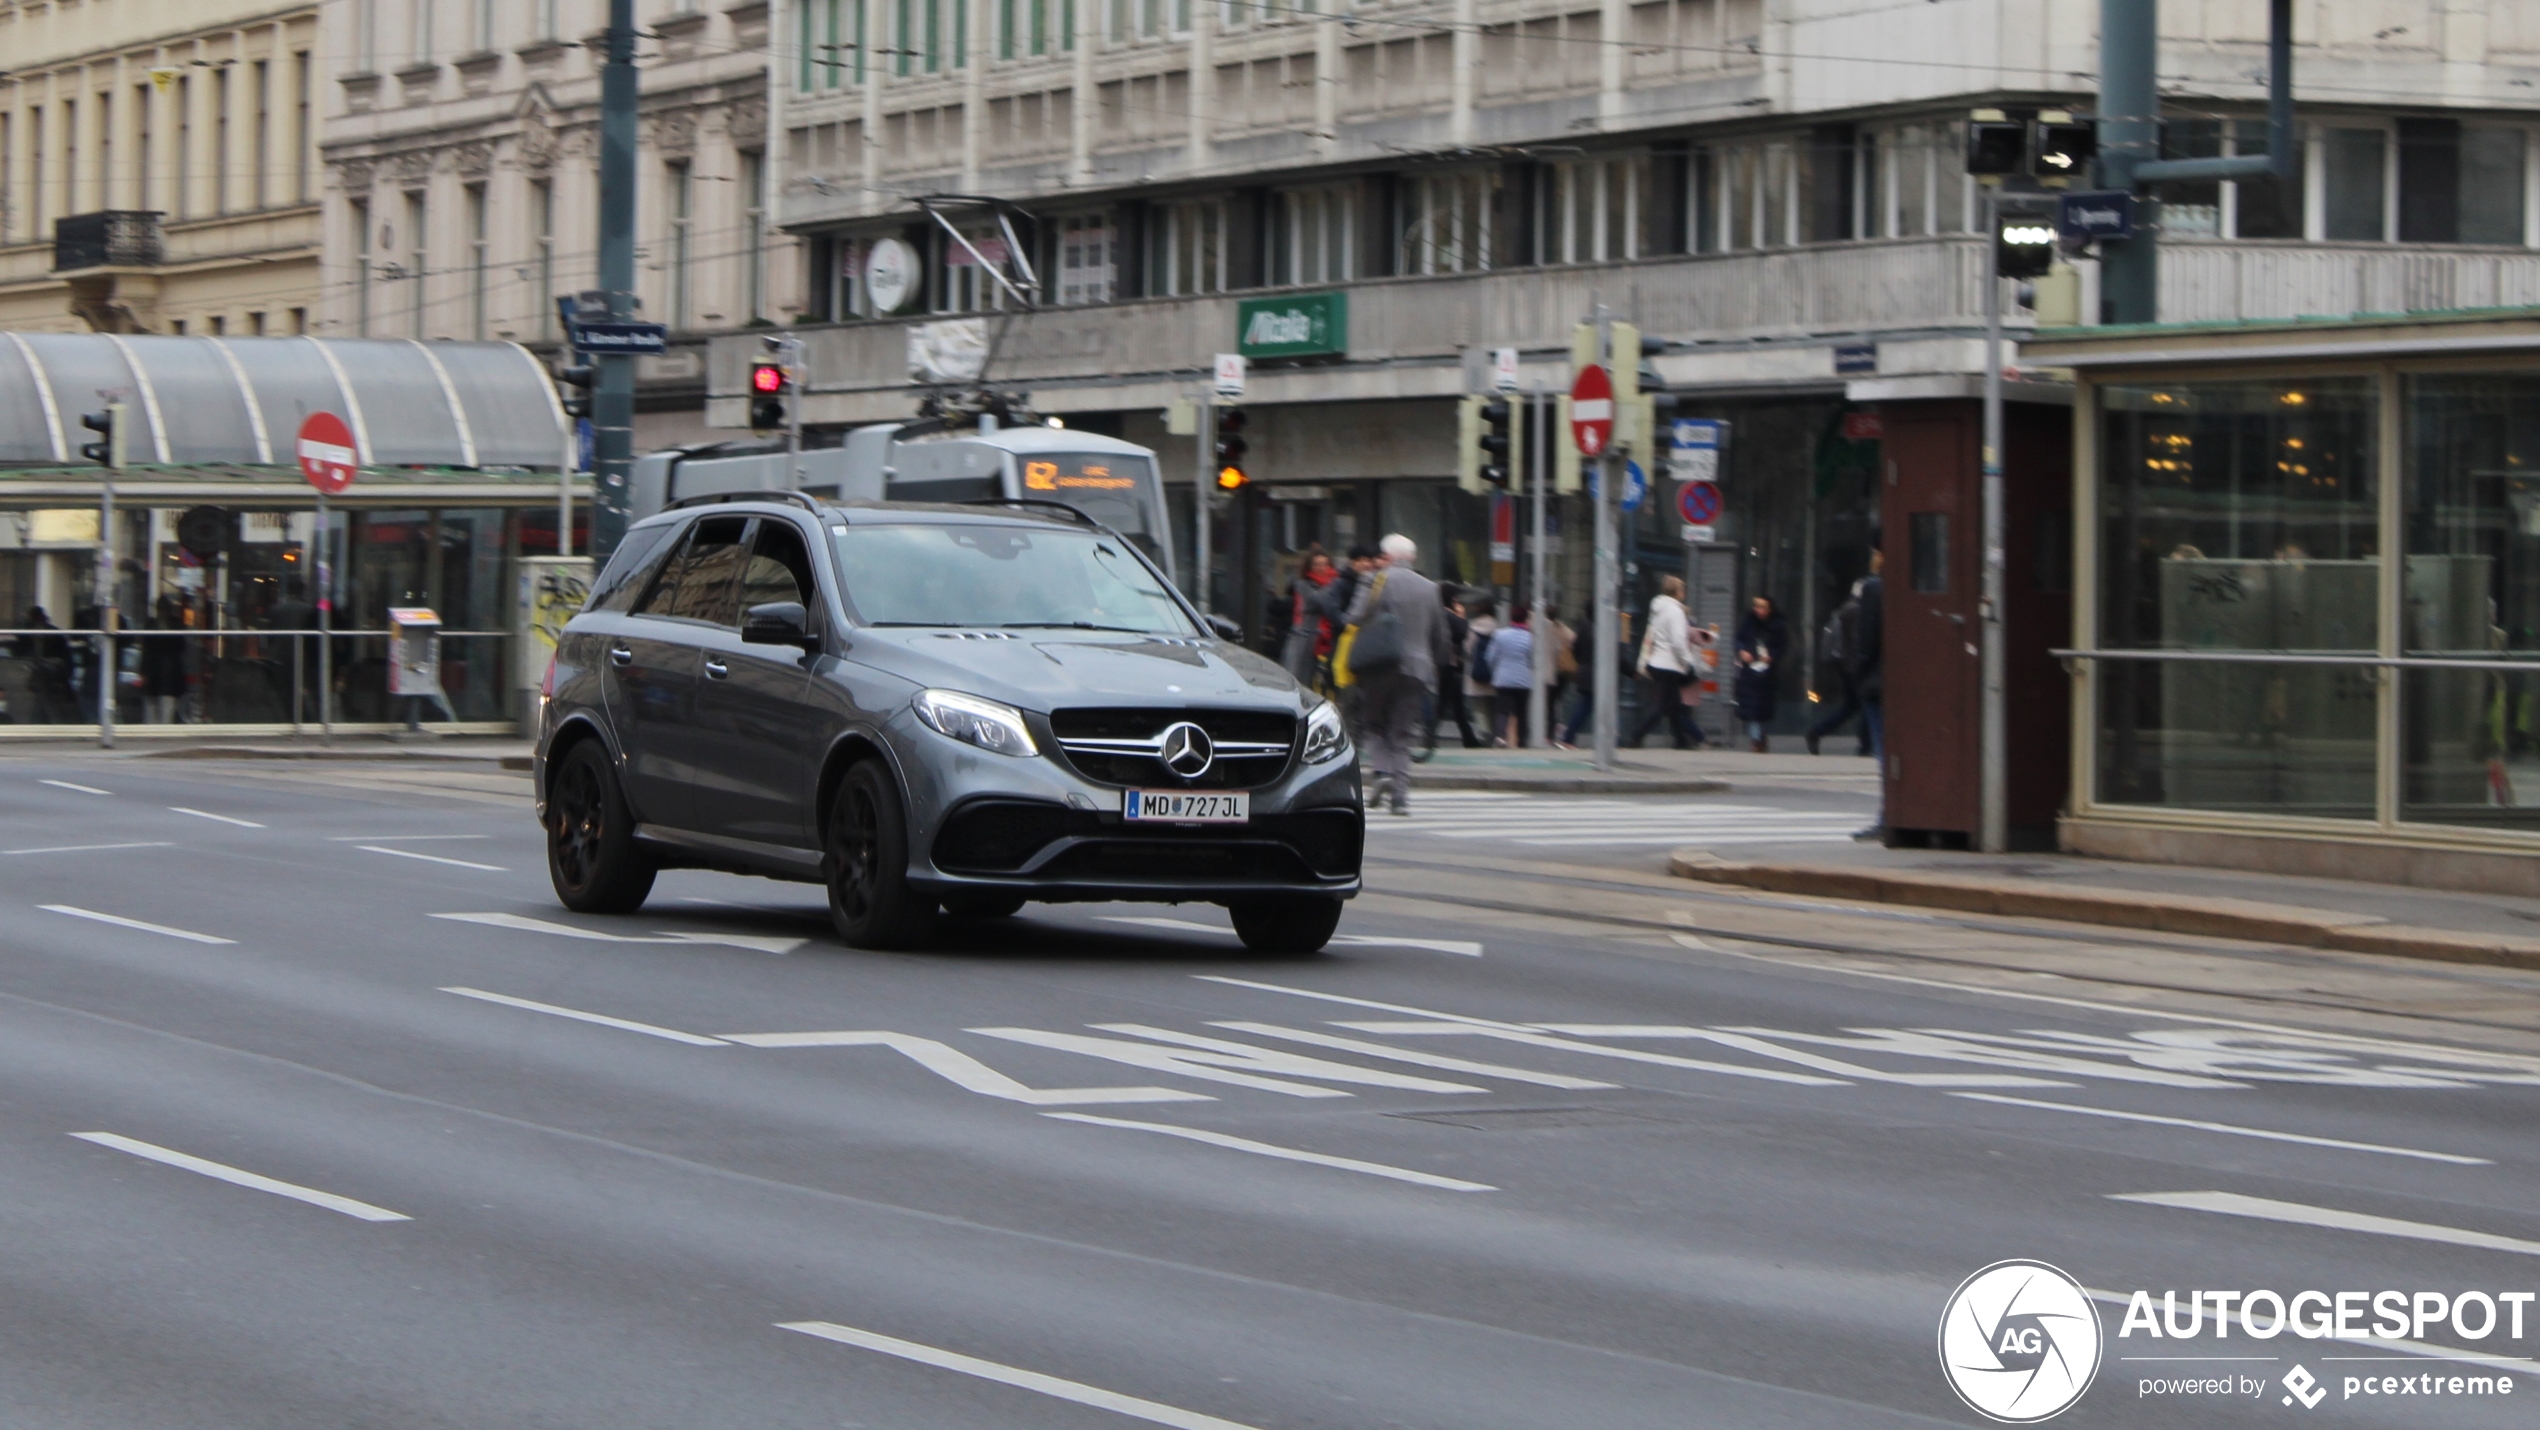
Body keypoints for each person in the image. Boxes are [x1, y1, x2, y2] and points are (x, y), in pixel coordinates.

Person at [1342, 534, 1454, 815]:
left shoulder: (1375, 579)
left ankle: (1382, 772)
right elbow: (1441, 636)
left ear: (1387, 557)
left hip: (1379, 664)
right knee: (1402, 733)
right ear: (1412, 558)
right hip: (1418, 668)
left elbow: (1353, 617)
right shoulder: (1431, 588)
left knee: (1373, 724)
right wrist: (1435, 667)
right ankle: (1400, 798)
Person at [1628, 575, 1704, 749]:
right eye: (1682, 589)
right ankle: (1636, 736)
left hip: (1657, 662)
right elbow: (1677, 641)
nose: (1684, 592)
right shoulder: (1675, 611)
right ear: (1677, 591)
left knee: (1674, 705)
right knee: (1662, 706)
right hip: (1670, 664)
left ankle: (1682, 741)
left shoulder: (1659, 609)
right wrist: (1688, 661)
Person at [1805, 576, 1874, 756]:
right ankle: (1865, 745)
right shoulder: (1857, 610)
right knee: (1867, 703)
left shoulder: (1848, 608)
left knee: (1852, 706)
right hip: (1853, 667)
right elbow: (1856, 642)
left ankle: (1817, 732)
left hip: (1846, 666)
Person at [1851, 549, 1887, 840]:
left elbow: (1866, 639)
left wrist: (1858, 673)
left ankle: (1888, 814)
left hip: (1878, 680)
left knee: (1883, 748)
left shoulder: (1875, 587)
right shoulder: (1914, 579)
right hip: (1906, 680)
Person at [1732, 593, 1790, 752]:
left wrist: (1771, 657)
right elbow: (1739, 639)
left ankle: (1760, 737)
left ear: (1770, 609)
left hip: (1766, 673)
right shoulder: (1749, 622)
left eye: (1762, 607)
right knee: (1751, 707)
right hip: (1749, 670)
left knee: (1761, 708)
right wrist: (1742, 651)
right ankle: (1756, 739)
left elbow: (1782, 646)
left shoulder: (1778, 626)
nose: (1758, 610)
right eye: (1756, 606)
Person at [1428, 585, 1482, 750]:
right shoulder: (1446, 615)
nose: (1458, 602)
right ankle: (1430, 736)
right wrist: (1461, 616)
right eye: (1455, 599)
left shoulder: (1438, 613)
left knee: (1456, 703)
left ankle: (1469, 738)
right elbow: (1462, 631)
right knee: (1444, 702)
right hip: (1446, 664)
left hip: (1448, 663)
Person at [1278, 548, 1337, 685]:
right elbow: (1319, 601)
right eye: (1317, 564)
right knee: (1300, 679)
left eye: (1324, 564)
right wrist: (1335, 584)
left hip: (1327, 640)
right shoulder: (1303, 585)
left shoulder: (1334, 583)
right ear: (1309, 567)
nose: (1321, 568)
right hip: (1305, 640)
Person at [1483, 602, 1535, 747]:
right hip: (1523, 680)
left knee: (1502, 710)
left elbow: (1490, 657)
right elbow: (1532, 660)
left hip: (1503, 678)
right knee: (1522, 712)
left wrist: (1496, 671)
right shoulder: (1530, 638)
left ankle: (1500, 736)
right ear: (1526, 619)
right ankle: (1522, 740)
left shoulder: (1500, 635)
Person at [1462, 596, 1500, 741]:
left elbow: (1467, 648)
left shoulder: (1473, 627)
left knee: (1478, 707)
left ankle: (1484, 732)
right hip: (1493, 673)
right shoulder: (1497, 628)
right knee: (1492, 706)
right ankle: (1495, 734)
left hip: (1475, 673)